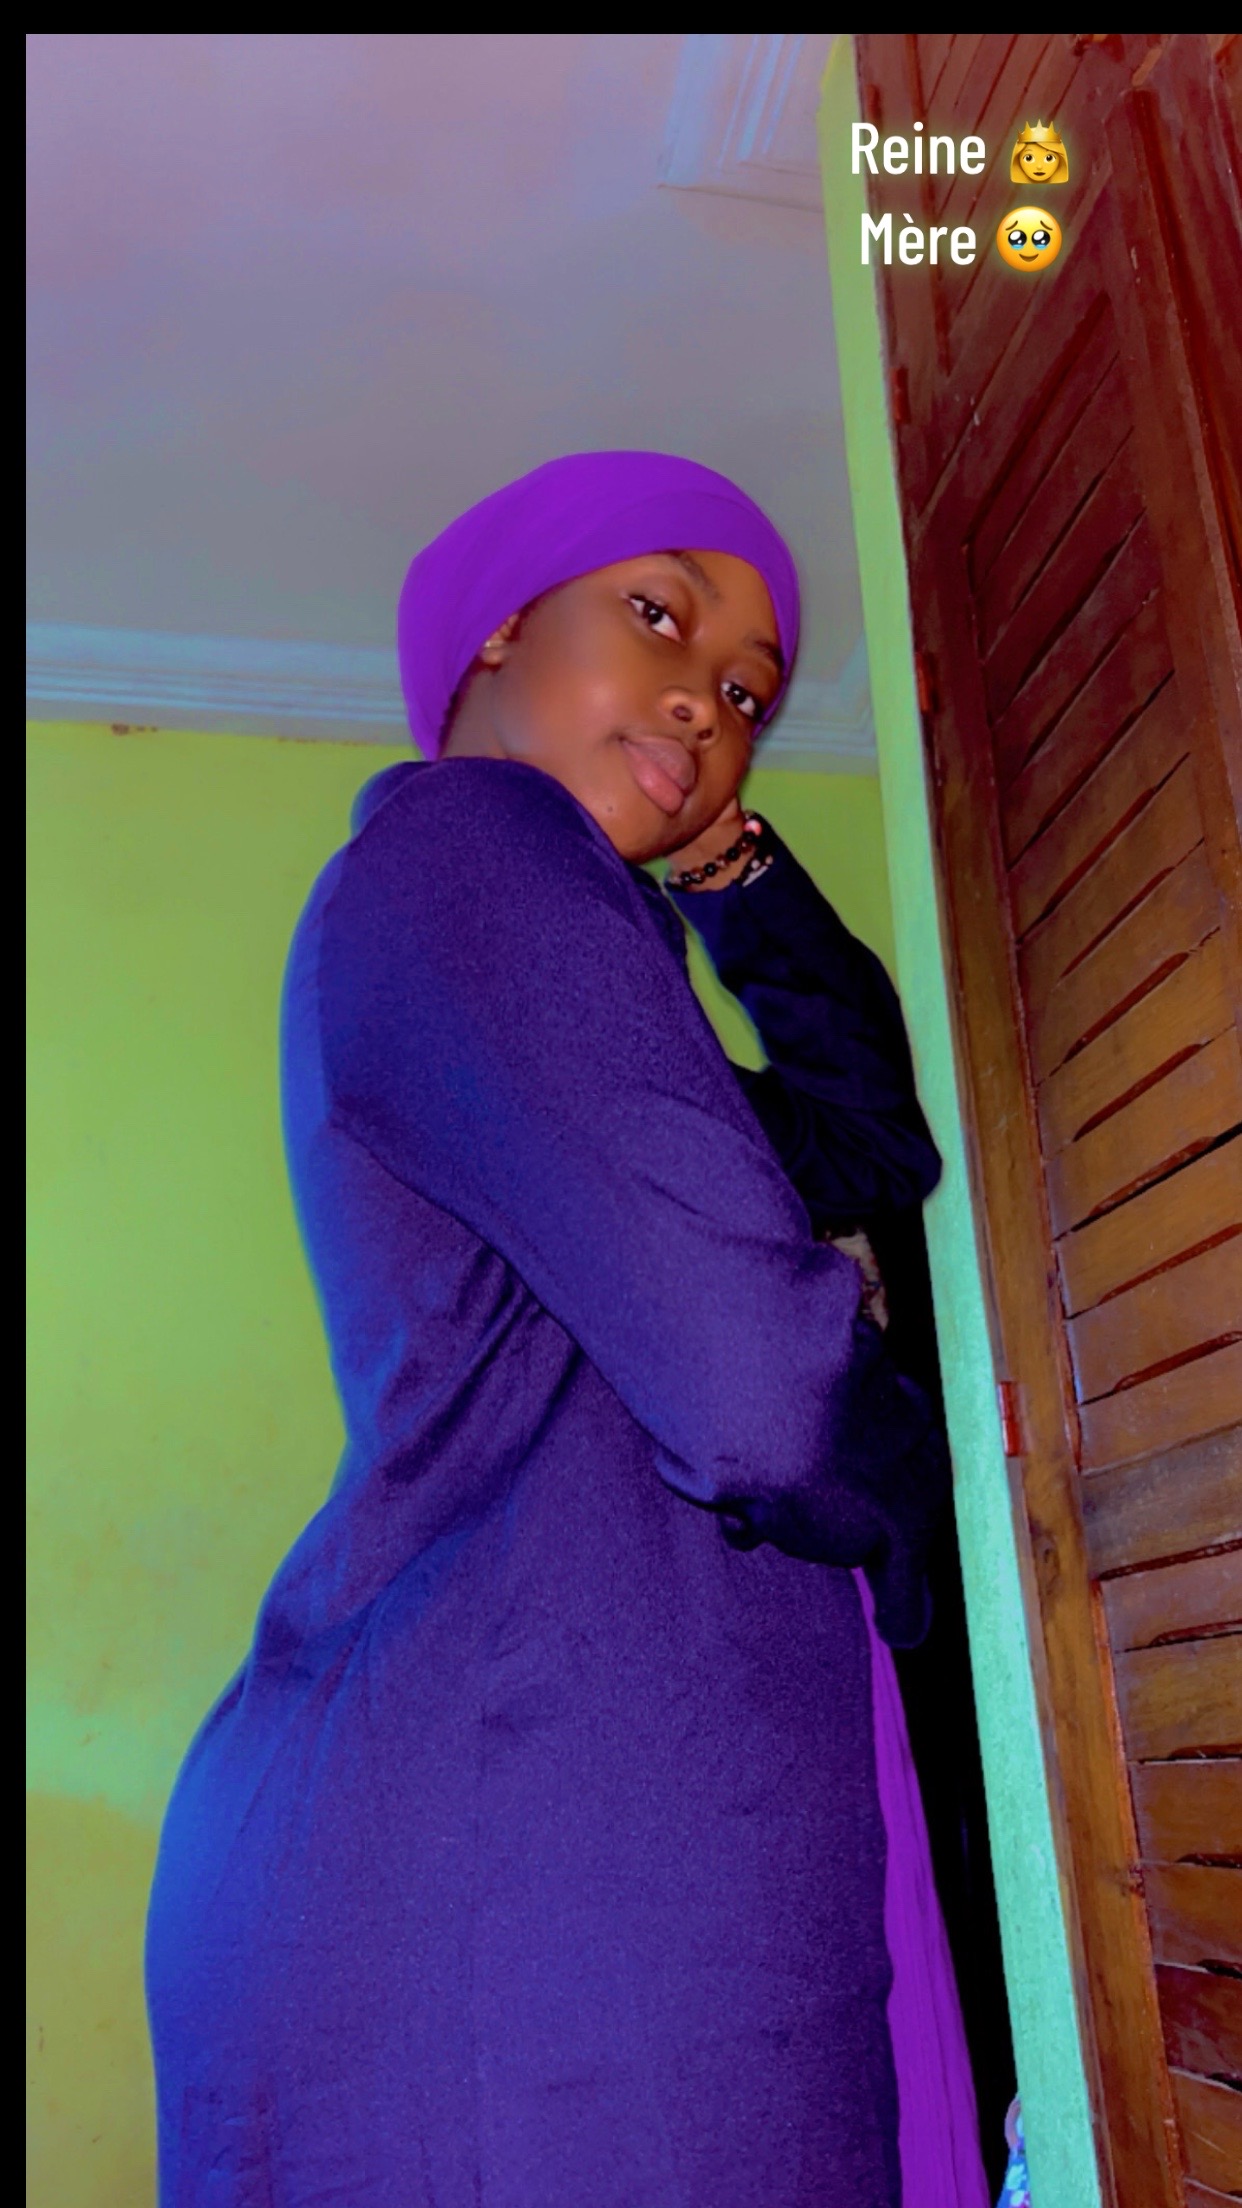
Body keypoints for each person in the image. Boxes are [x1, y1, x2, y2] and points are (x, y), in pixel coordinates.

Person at [146, 451, 989, 2205]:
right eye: (658, 614)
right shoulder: (475, 840)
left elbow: (865, 1142)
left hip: (532, 1825)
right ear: (497, 631)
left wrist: (729, 862)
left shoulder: (555, 1016)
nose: (706, 697)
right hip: (540, 1837)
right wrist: (955, 1515)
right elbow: (766, 1400)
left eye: (749, 695)